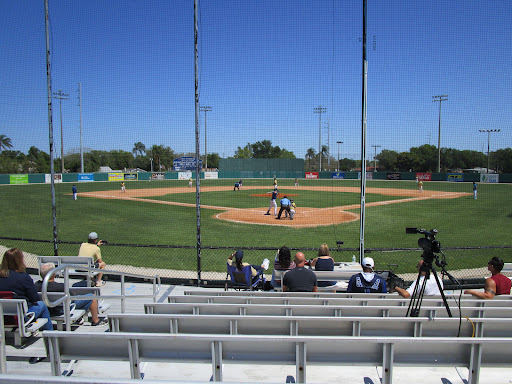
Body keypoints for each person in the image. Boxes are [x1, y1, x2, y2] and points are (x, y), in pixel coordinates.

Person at [34, 263, 108, 326]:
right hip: (62, 310)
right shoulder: (60, 286)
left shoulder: (35, 285)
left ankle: (80, 318)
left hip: (48, 309)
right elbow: (73, 297)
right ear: (53, 274)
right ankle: (96, 320)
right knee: (92, 297)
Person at [0, 248, 53, 331]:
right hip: (20, 316)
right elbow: (34, 299)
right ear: (19, 260)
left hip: (2, 315)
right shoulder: (24, 277)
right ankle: (50, 335)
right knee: (42, 305)